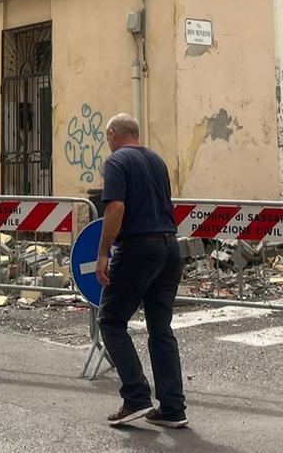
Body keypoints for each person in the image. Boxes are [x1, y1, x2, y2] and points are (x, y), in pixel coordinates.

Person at [96, 112, 187, 429]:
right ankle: (173, 408)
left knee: (110, 320)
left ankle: (135, 398)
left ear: (112, 134)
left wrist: (104, 252)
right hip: (169, 247)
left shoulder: (117, 162)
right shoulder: (157, 160)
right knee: (160, 328)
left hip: (138, 248)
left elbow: (116, 207)